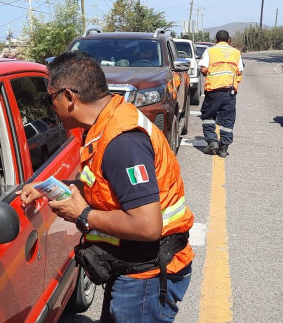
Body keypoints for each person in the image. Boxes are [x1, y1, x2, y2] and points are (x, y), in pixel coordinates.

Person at [19, 51, 194, 323]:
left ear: (68, 97)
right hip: (132, 267)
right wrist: (49, 188)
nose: (49, 107)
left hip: (145, 277)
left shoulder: (122, 142)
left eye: (49, 98)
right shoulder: (107, 121)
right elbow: (106, 187)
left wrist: (84, 215)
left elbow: (148, 226)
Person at [198, 30, 244, 158]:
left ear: (216, 40)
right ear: (229, 40)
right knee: (227, 119)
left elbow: (203, 69)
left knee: (208, 115)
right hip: (230, 91)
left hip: (213, 91)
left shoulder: (210, 51)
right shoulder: (236, 53)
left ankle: (212, 141)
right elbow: (239, 71)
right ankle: (224, 148)